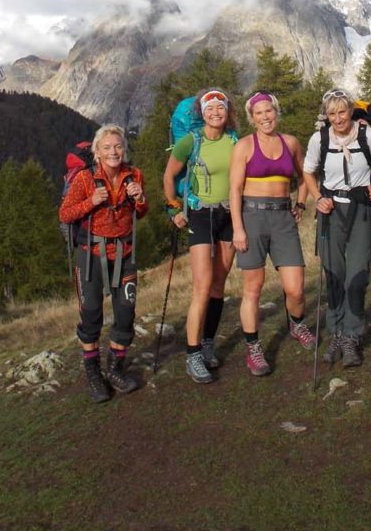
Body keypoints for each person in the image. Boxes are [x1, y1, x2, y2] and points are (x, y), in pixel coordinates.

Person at [59, 124, 148, 403]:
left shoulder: (134, 176)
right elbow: (65, 213)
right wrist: (90, 202)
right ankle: (94, 374)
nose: (113, 152)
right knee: (91, 315)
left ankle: (115, 370)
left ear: (125, 149)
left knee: (125, 314)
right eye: (107, 147)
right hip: (91, 254)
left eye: (118, 146)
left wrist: (140, 198)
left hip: (124, 252)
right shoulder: (85, 180)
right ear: (97, 152)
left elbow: (141, 212)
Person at [229, 90, 313, 376]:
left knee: (295, 288)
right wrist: (238, 228)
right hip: (252, 217)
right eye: (259, 113)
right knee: (253, 287)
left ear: (276, 112)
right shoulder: (243, 146)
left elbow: (305, 176)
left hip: (283, 217)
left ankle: (296, 323)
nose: (265, 117)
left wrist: (301, 203)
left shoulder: (290, 143)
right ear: (252, 118)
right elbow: (235, 190)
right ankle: (253, 348)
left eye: (269, 111)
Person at [303, 88, 371, 367]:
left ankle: (352, 335)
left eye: (342, 111)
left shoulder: (370, 136)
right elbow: (308, 171)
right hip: (331, 209)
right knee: (333, 271)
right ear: (326, 115)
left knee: (358, 273)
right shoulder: (320, 139)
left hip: (361, 208)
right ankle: (336, 332)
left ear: (350, 110)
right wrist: (318, 199)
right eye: (332, 113)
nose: (338, 118)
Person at [162, 89, 238, 384]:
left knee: (219, 284)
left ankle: (207, 343)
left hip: (229, 215)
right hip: (200, 215)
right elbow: (169, 176)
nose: (216, 112)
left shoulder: (234, 141)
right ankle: (192, 354)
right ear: (201, 113)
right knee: (202, 285)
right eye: (210, 108)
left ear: (228, 112)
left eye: (221, 107)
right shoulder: (190, 141)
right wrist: (172, 210)